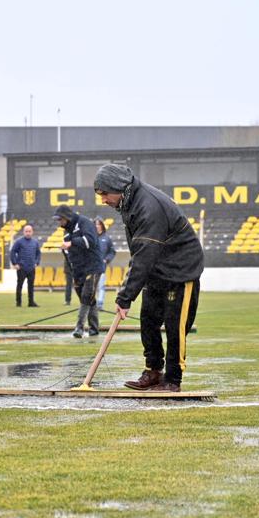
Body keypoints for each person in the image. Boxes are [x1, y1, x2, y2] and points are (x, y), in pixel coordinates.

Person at [94, 163, 204, 392]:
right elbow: (140, 253)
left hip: (180, 270)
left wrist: (125, 297)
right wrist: (128, 292)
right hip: (156, 270)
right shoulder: (128, 203)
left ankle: (173, 380)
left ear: (118, 187)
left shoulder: (148, 207)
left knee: (175, 327)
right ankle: (153, 372)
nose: (103, 200)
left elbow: (144, 254)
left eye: (105, 193)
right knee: (149, 321)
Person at [54, 205, 103, 338]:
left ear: (66, 217)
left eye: (60, 219)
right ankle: (94, 329)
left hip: (93, 266)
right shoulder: (66, 231)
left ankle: (79, 328)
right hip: (78, 269)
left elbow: (90, 241)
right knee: (87, 298)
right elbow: (72, 254)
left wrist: (71, 243)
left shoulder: (84, 222)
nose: (59, 223)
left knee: (87, 295)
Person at [10, 223, 42, 307]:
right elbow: (13, 252)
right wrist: (15, 263)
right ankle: (18, 303)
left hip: (31, 268)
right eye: (26, 231)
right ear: (23, 232)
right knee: (19, 285)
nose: (28, 233)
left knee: (31, 286)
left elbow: (38, 253)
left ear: (32, 232)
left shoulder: (35, 242)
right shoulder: (19, 242)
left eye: (29, 231)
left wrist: (36, 262)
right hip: (22, 268)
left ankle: (31, 302)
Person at [94, 219, 117, 311]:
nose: (97, 226)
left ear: (102, 226)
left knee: (101, 286)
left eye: (99, 224)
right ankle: (91, 305)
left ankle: (100, 304)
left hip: (102, 268)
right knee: (91, 288)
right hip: (90, 268)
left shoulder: (107, 239)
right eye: (95, 224)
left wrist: (106, 259)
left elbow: (112, 252)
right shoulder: (91, 238)